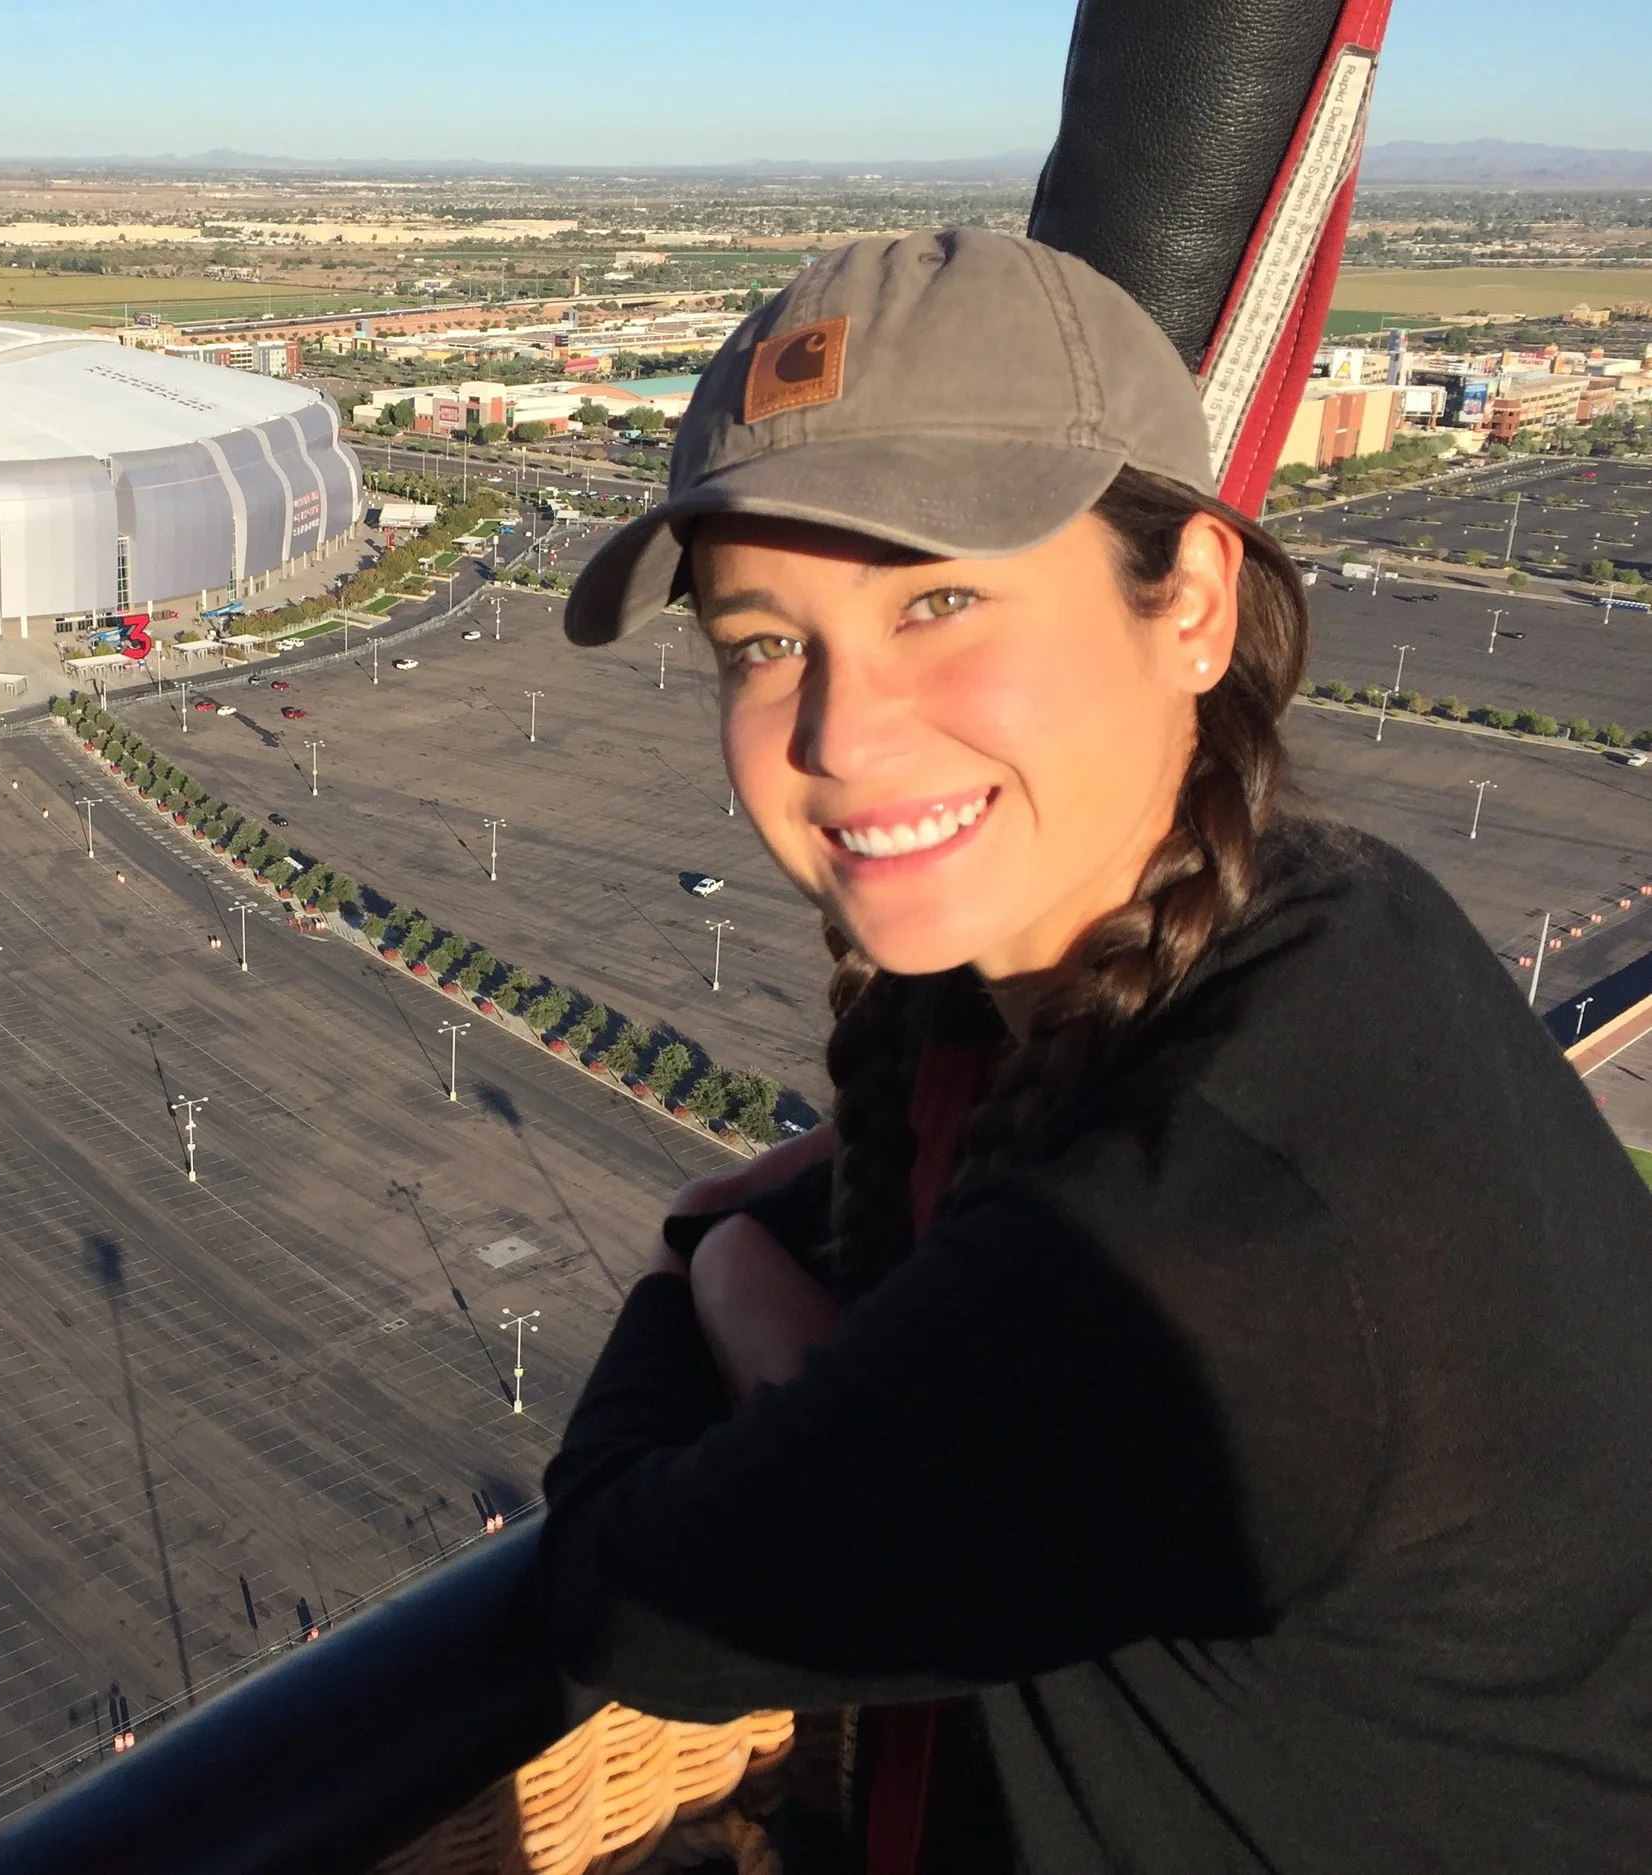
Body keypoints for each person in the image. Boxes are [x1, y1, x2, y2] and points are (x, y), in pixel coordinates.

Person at [537, 229, 1652, 1873]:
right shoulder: (1328, 916)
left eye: (938, 597)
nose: (839, 729)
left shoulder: (1223, 1224)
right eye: (763, 641)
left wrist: (709, 1262)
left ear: (1192, 602)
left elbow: (623, 1595)